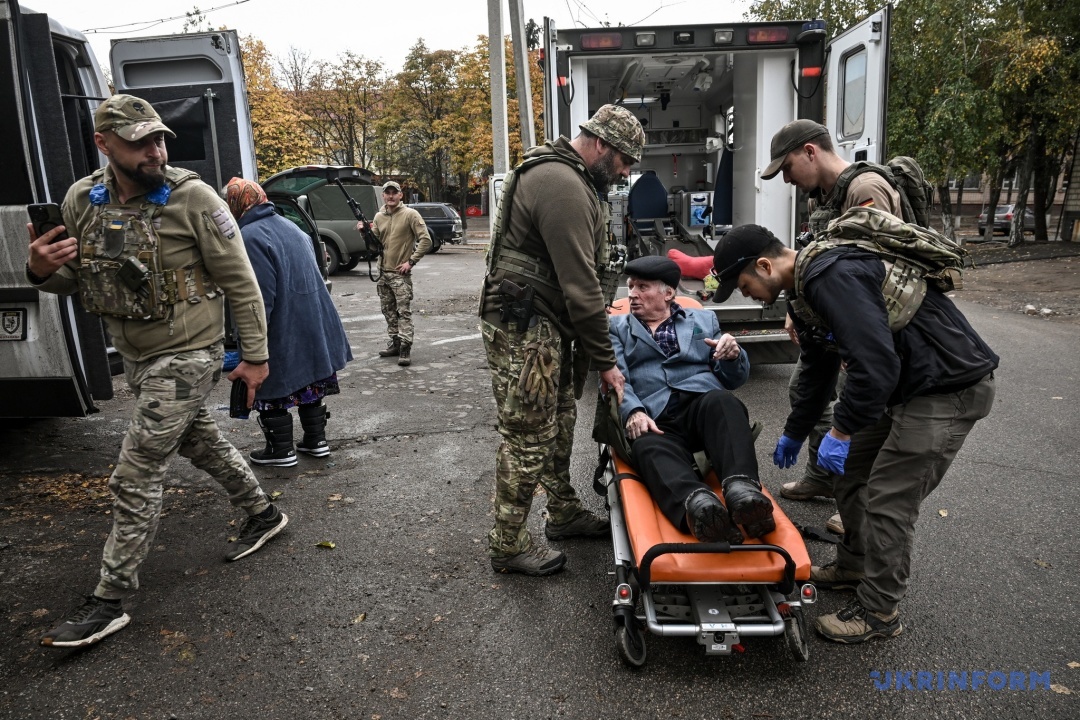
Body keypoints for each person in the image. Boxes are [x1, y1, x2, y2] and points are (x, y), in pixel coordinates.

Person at [24, 95, 288, 649]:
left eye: (160, 139)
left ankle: (110, 599)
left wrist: (256, 358)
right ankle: (263, 514)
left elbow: (241, 283)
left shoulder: (195, 198)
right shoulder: (82, 200)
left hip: (190, 353)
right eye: (140, 142)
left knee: (136, 470)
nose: (156, 151)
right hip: (138, 356)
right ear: (103, 144)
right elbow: (79, 280)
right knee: (200, 442)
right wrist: (40, 270)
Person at [711, 223, 998, 644]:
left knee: (888, 499)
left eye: (744, 285)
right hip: (904, 385)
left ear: (765, 265)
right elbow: (819, 367)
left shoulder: (832, 276)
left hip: (946, 386)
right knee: (849, 473)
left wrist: (842, 430)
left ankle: (880, 611)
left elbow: (874, 363)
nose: (747, 294)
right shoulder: (803, 292)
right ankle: (855, 566)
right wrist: (796, 431)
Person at [478, 104, 642, 576]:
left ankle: (563, 512)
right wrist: (606, 362)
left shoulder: (573, 178)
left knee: (561, 418)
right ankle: (508, 544)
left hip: (546, 325)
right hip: (526, 330)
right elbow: (581, 287)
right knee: (529, 435)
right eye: (624, 162)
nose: (625, 173)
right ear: (602, 145)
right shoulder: (562, 184)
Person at [763, 119, 904, 527]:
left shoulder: (866, 189)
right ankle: (824, 477)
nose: (787, 179)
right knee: (804, 389)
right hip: (836, 320)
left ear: (810, 151)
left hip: (868, 323)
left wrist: (855, 338)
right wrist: (796, 309)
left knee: (859, 407)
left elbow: (878, 270)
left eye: (787, 168)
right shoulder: (821, 199)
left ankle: (854, 501)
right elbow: (815, 256)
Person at [609, 257, 774, 542]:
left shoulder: (703, 320)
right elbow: (616, 379)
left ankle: (743, 491)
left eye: (642, 287)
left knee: (724, 402)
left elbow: (733, 380)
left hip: (702, 405)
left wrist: (733, 356)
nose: (632, 294)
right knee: (646, 445)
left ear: (668, 293)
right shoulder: (617, 328)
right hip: (655, 415)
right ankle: (699, 506)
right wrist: (633, 411)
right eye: (631, 286)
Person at [224, 177, 353, 467]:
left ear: (236, 204)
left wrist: (249, 344)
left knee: (273, 384)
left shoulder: (250, 236)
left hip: (282, 325)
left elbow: (258, 299)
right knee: (309, 380)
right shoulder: (292, 226)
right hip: (312, 320)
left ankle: (280, 450)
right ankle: (316, 441)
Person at [358, 180, 432, 367]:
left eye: (394, 192)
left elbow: (426, 240)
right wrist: (364, 233)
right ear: (383, 195)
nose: (391, 196)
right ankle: (395, 342)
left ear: (400, 195)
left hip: (400, 274)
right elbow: (374, 246)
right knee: (388, 311)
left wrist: (411, 262)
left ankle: (405, 347)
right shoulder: (379, 216)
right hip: (383, 273)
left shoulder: (410, 214)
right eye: (387, 193)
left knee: (403, 312)